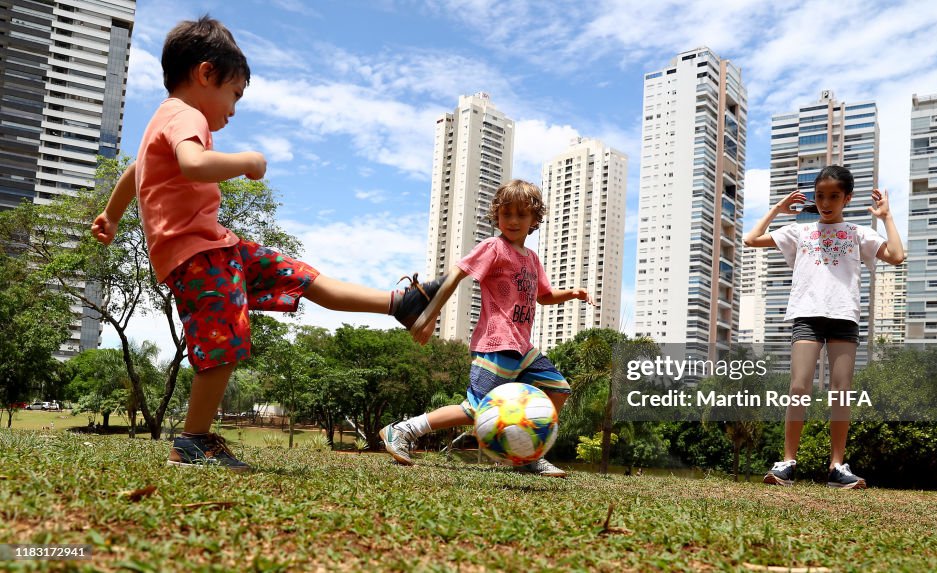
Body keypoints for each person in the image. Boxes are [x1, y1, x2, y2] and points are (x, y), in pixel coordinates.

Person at [91, 16, 442, 473]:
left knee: (299, 276)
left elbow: (136, 170)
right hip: (197, 255)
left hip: (220, 246)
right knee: (224, 336)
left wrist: (111, 215)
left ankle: (402, 304)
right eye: (234, 94)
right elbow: (193, 164)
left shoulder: (164, 118)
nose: (233, 110)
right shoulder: (186, 116)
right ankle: (193, 439)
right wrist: (246, 162)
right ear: (205, 74)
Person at [378, 179, 596, 478]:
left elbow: (543, 296)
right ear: (497, 216)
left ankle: (528, 453)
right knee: (476, 410)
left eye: (521, 214)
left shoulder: (532, 259)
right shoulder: (493, 248)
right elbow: (457, 273)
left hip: (523, 348)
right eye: (507, 214)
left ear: (535, 219)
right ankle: (403, 430)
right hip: (494, 344)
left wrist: (571, 292)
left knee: (559, 389)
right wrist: (430, 315)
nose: (513, 220)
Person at [742, 165, 905, 489]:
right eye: (819, 196)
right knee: (799, 387)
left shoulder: (859, 233)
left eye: (833, 196)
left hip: (844, 315)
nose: (826, 202)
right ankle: (787, 463)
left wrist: (886, 216)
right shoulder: (799, 232)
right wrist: (777, 209)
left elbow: (897, 256)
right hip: (807, 313)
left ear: (847, 198)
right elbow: (751, 239)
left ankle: (836, 466)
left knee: (841, 391)